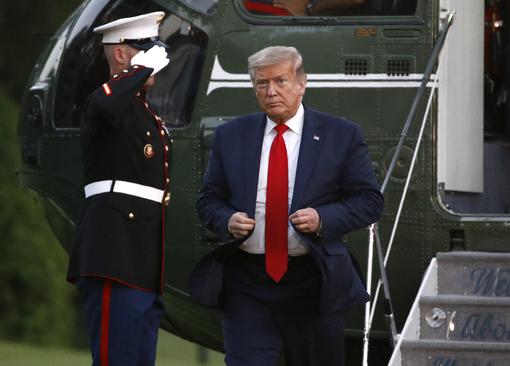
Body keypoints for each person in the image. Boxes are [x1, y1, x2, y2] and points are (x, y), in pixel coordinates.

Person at [190, 46, 383, 365]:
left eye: (280, 81)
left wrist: (323, 218)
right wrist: (227, 220)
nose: (271, 91)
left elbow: (370, 201)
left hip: (313, 282)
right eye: (261, 84)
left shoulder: (341, 135)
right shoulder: (230, 136)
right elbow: (208, 200)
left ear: (302, 84)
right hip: (247, 284)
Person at [66, 11, 172, 366]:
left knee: (140, 357)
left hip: (142, 256)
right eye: (145, 49)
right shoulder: (106, 103)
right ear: (122, 54)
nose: (155, 62)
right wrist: (140, 70)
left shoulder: (144, 112)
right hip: (115, 251)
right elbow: (106, 102)